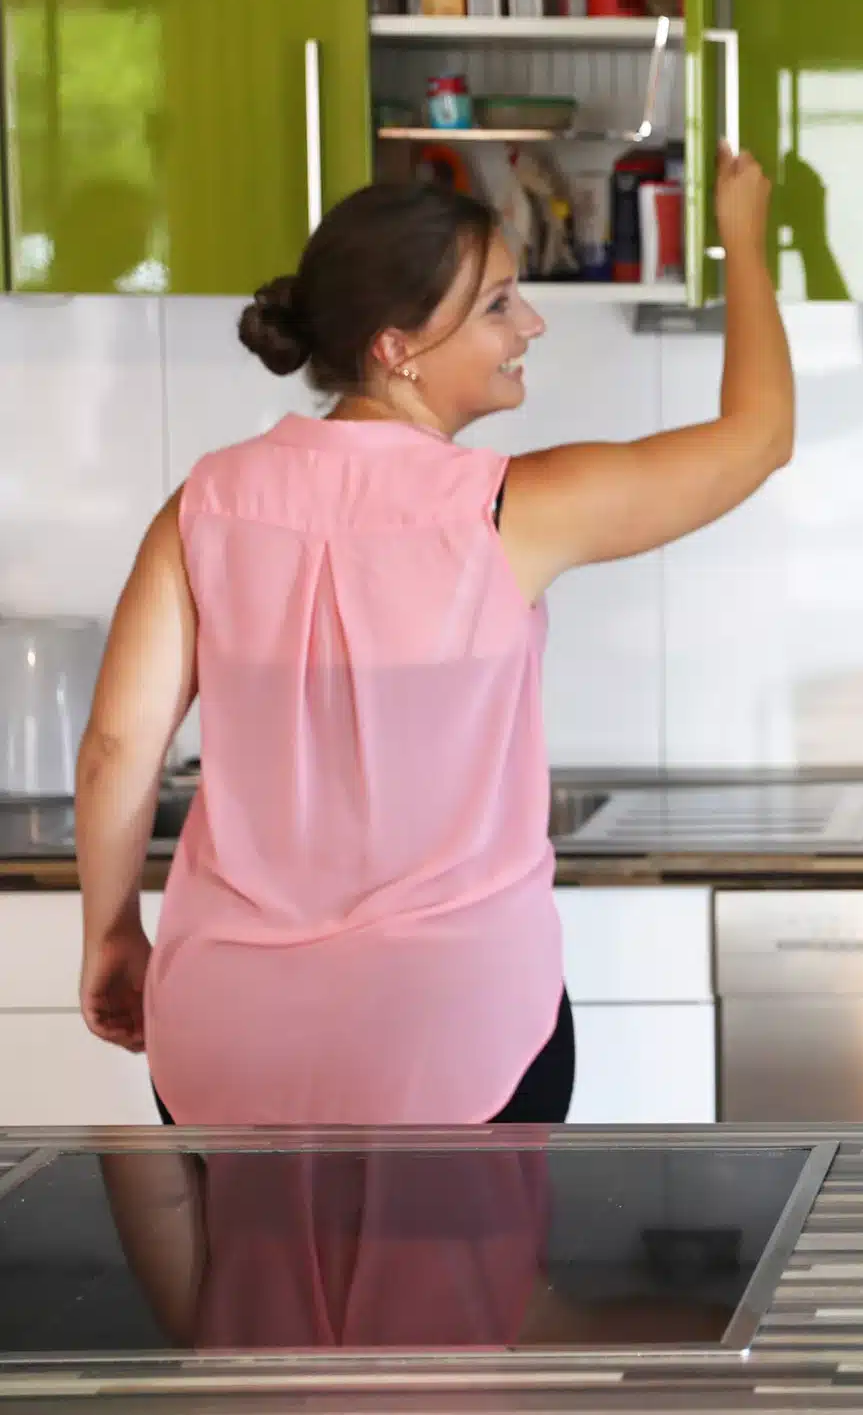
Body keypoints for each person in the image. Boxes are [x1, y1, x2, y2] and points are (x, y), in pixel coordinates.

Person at [74, 149, 794, 1127]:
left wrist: (111, 929)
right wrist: (743, 238)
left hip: (223, 1026)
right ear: (396, 346)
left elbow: (118, 747)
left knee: (245, 1284)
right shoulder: (509, 508)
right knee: (466, 1284)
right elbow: (758, 435)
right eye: (499, 303)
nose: (529, 324)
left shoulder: (204, 502)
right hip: (458, 1031)